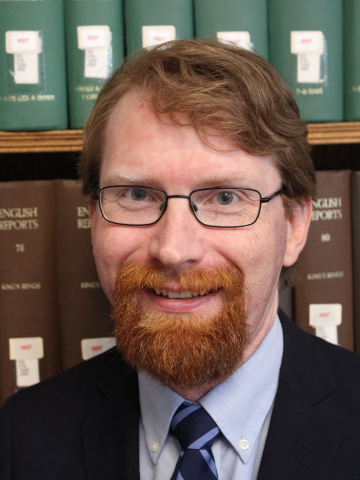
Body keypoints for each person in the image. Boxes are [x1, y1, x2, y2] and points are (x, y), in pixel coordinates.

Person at [1, 39, 360, 480]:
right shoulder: (21, 437)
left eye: (225, 197)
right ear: (93, 220)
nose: (173, 250)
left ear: (295, 225)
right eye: (136, 195)